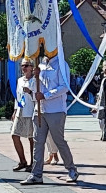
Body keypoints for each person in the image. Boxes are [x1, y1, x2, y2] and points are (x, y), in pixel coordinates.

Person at [20, 57, 80, 185]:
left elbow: (64, 87)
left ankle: (71, 170)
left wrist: (46, 95)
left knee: (59, 141)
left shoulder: (61, 64)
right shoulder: (40, 65)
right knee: (38, 142)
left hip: (56, 110)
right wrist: (34, 77)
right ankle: (36, 174)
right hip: (40, 110)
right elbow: (33, 90)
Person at [10, 58, 36, 171]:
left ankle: (32, 163)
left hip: (31, 111)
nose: (24, 68)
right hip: (20, 110)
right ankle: (22, 161)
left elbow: (38, 96)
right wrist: (15, 110)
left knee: (31, 138)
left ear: (32, 67)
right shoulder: (20, 80)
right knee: (14, 135)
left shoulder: (35, 80)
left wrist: (30, 92)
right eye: (22, 66)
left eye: (26, 65)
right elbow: (18, 96)